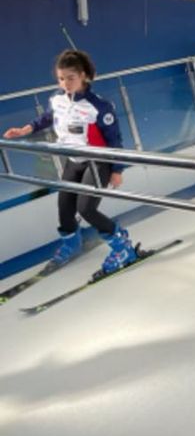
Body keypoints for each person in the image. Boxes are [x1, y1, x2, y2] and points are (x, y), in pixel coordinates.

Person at [2, 49, 138, 275]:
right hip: (73, 160)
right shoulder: (57, 100)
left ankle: (122, 244)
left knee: (86, 209)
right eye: (61, 78)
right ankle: (72, 243)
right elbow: (47, 118)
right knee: (64, 209)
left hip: (98, 161)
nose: (65, 83)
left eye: (70, 78)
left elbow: (115, 139)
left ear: (84, 76)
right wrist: (25, 129)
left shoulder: (99, 106)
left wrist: (117, 170)